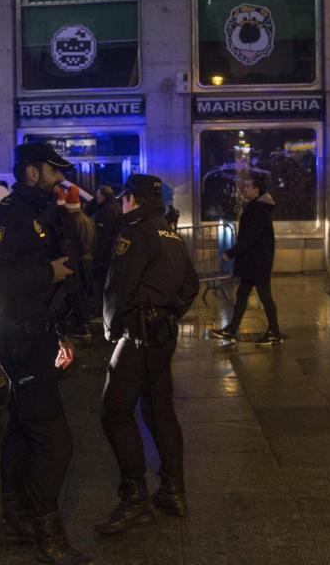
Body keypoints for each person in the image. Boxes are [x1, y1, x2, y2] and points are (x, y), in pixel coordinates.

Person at [0, 142, 92, 565]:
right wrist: (48, 272)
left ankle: (15, 521)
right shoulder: (5, 218)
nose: (59, 179)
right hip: (20, 339)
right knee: (54, 440)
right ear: (31, 172)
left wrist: (62, 326)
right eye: (53, 171)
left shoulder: (40, 214)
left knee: (23, 429)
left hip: (38, 333)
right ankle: (49, 535)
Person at [97, 174, 199, 535]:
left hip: (138, 335)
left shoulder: (134, 232)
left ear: (132, 199)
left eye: (125, 198)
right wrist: (168, 313)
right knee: (159, 410)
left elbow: (119, 286)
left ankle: (134, 499)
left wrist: (111, 328)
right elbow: (191, 283)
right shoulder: (171, 234)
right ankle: (173, 491)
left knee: (115, 411)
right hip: (161, 334)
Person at [209, 177, 281, 345]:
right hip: (252, 261)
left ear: (257, 190)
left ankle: (274, 332)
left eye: (248, 186)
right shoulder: (255, 207)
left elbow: (251, 237)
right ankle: (232, 329)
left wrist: (231, 253)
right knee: (242, 295)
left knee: (265, 296)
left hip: (258, 261)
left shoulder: (260, 210)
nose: (245, 189)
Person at [61, 185, 96, 341]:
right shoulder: (88, 219)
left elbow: (74, 245)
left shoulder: (70, 222)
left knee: (77, 296)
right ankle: (86, 323)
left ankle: (83, 327)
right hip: (89, 260)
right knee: (85, 295)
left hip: (78, 262)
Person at [91, 186, 123, 321]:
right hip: (117, 254)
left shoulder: (103, 212)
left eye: (98, 195)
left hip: (105, 257)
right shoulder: (119, 208)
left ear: (103, 196)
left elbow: (103, 238)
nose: (96, 198)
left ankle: (101, 314)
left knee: (102, 286)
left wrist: (98, 259)